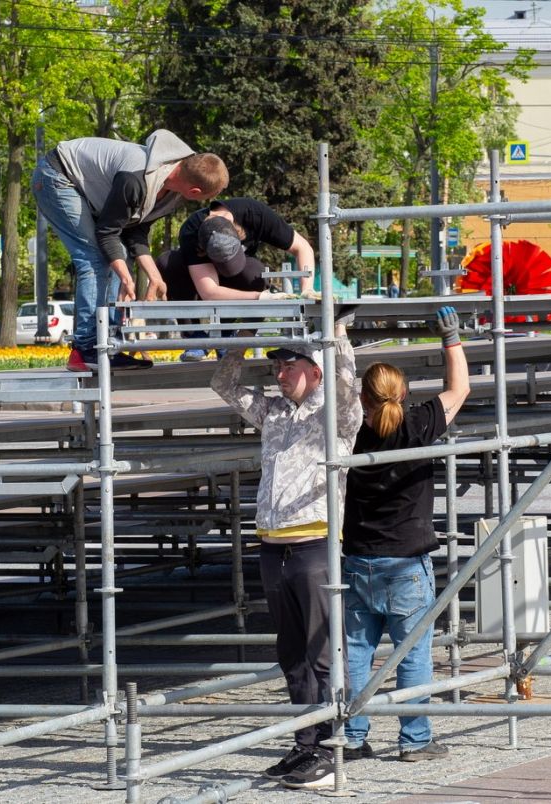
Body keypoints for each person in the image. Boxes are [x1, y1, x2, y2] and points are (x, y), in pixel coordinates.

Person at [212, 319, 362, 790]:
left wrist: (335, 335)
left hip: (314, 542)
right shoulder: (275, 412)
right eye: (276, 364)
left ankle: (332, 745)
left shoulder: (334, 412)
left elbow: (346, 382)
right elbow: (224, 385)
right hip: (273, 545)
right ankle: (304, 744)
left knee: (321, 651)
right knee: (291, 652)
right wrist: (240, 342)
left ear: (315, 370)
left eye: (289, 364)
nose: (279, 372)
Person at [340, 306, 470, 764]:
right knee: (412, 653)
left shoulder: (350, 433)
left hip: (358, 558)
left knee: (356, 653)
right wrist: (450, 338)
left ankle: (352, 738)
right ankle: (414, 741)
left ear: (363, 397)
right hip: (407, 561)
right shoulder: (418, 425)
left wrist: (338, 334)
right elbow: (460, 389)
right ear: (404, 393)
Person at [32, 129, 229, 372]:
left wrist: (154, 276)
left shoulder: (170, 194)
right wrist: (126, 278)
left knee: (116, 257)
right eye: (201, 199)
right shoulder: (136, 178)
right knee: (94, 259)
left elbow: (135, 233)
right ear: (195, 191)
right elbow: (107, 233)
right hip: (58, 175)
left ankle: (109, 343)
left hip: (85, 191)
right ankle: (85, 349)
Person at [157, 198, 316, 362]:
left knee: (256, 272)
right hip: (199, 280)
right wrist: (259, 297)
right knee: (168, 261)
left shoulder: (256, 215)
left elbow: (303, 248)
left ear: (239, 234)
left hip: (238, 279)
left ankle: (226, 333)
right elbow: (209, 292)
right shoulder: (191, 229)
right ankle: (194, 336)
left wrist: (307, 289)